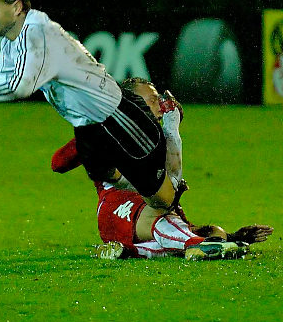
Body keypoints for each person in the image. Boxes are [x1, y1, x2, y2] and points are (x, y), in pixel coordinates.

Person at [0, 0, 179, 212]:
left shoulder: (37, 32)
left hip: (114, 117)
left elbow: (22, 85)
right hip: (87, 125)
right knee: (107, 177)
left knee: (164, 201)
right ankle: (139, 212)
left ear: (16, 7)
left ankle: (170, 128)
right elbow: (3, 75)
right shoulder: (12, 38)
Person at [50, 78, 274, 259]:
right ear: (131, 102)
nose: (160, 104)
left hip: (151, 206)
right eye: (152, 99)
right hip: (116, 205)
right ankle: (198, 246)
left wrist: (233, 237)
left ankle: (136, 251)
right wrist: (87, 144)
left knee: (214, 232)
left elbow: (173, 181)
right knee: (160, 212)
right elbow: (57, 163)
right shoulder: (108, 129)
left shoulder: (154, 137)